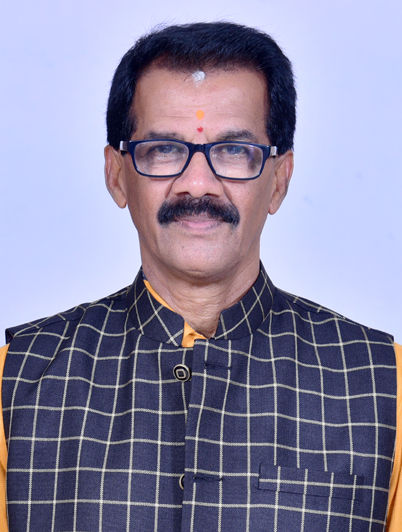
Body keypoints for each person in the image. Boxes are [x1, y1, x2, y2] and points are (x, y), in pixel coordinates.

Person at [1, 22, 400, 531]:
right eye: (164, 149)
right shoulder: (17, 382)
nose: (197, 184)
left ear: (279, 181)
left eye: (233, 150)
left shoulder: (385, 386)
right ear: (117, 175)